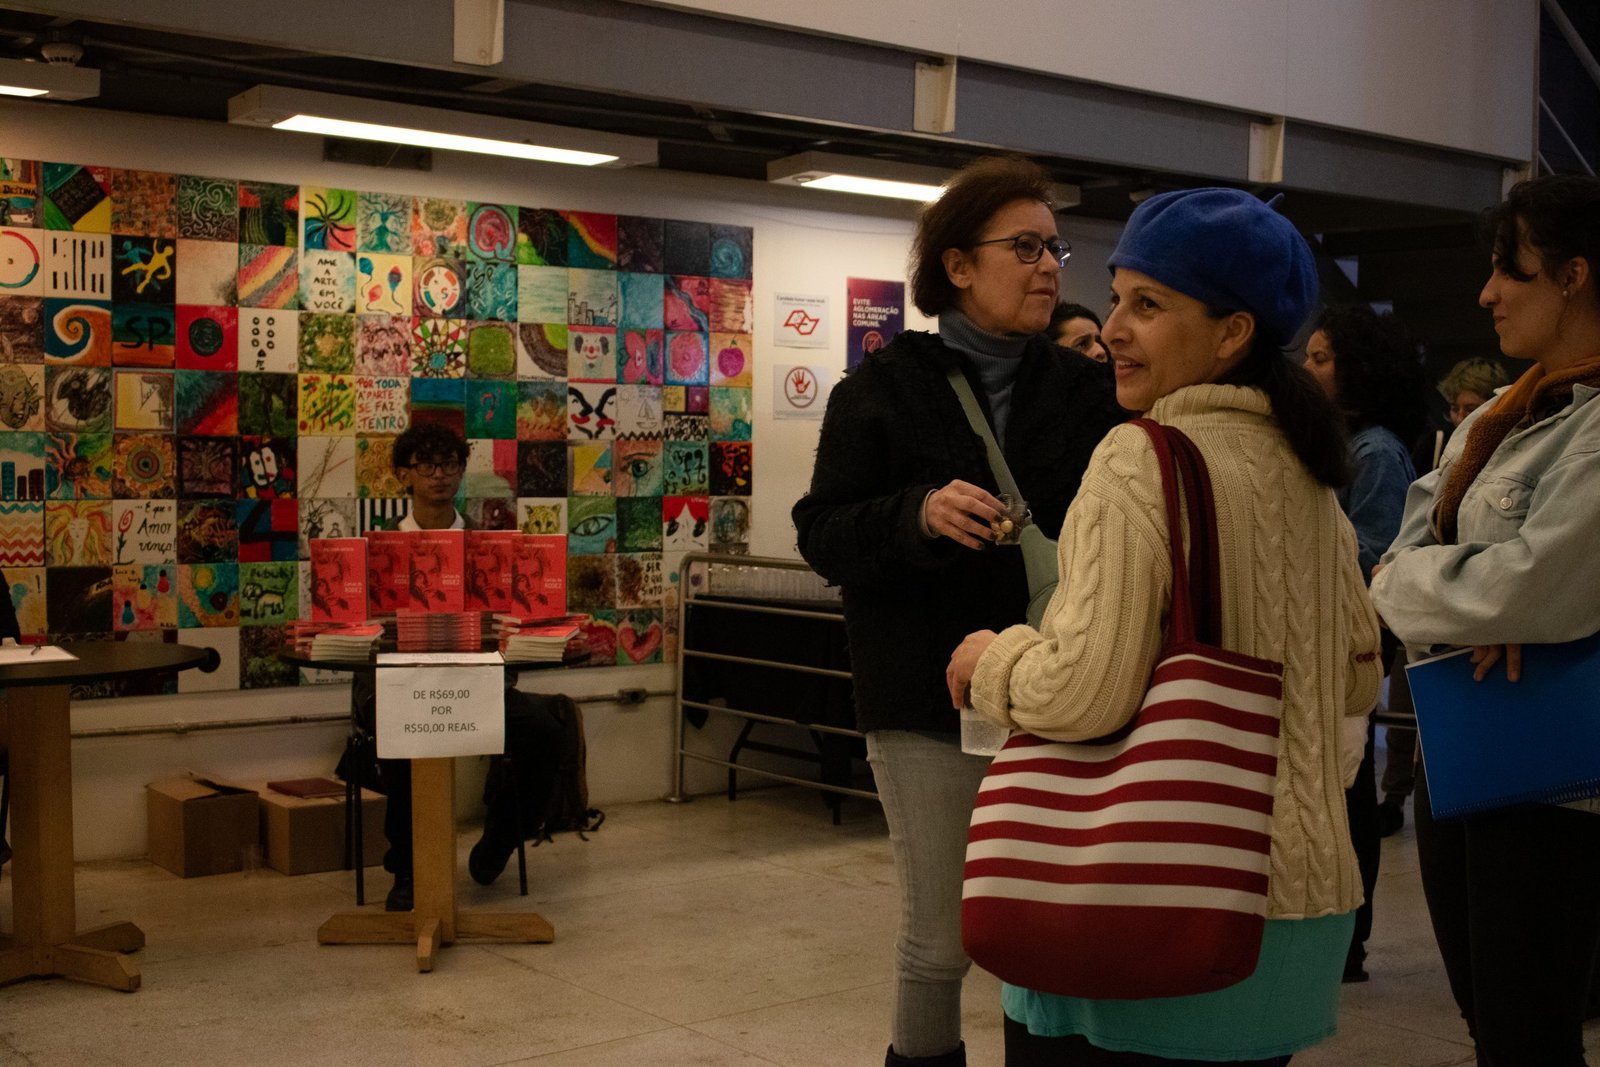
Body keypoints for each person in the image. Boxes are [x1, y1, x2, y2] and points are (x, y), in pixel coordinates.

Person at [947, 187, 1382, 1065]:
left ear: (1232, 332)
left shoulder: (1140, 459)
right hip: (1298, 913)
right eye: (1116, 298)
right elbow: (1358, 675)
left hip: (1152, 902)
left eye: (1148, 305)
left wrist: (995, 660)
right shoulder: (1311, 471)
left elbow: (1085, 692)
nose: (1112, 328)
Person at [792, 155, 1125, 1067]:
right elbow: (821, 531)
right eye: (1025, 247)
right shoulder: (881, 391)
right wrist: (916, 514)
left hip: (1063, 692)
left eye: (1055, 247)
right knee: (941, 939)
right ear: (958, 265)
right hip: (926, 701)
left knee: (1049, 930)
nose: (1049, 266)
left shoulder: (1086, 392)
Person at [1369, 172, 1600, 1066]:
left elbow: (1536, 584)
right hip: (1461, 733)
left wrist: (1495, 599)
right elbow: (1396, 558)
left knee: (1527, 1027)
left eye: (1512, 270)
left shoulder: (1587, 426)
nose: (1487, 293)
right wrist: (1477, 599)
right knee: (1489, 1016)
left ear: (1574, 276)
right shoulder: (1501, 417)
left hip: (1557, 761)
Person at [353, 422, 562, 911]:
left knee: (546, 733)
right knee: (402, 730)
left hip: (476, 681)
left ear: (462, 471)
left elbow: (510, 618)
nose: (439, 475)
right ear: (403, 474)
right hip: (401, 683)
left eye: (449, 464)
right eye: (426, 465)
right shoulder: (379, 547)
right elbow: (359, 627)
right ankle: (408, 870)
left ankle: (499, 840)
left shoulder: (485, 545)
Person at [1303, 305, 1429, 979]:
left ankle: (1349, 941)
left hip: (1346, 641)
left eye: (1321, 358)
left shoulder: (1374, 452)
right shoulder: (1340, 441)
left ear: (1358, 370)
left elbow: (1374, 559)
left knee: (1348, 787)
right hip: (1323, 635)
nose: (1307, 368)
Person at [1379, 355, 1511, 837]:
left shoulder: (1511, 435)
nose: (1459, 417)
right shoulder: (1437, 444)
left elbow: (1511, 564)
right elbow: (1404, 545)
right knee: (1405, 701)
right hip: (1432, 608)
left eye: (1469, 407)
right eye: (1454, 408)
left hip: (1471, 614)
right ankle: (1395, 794)